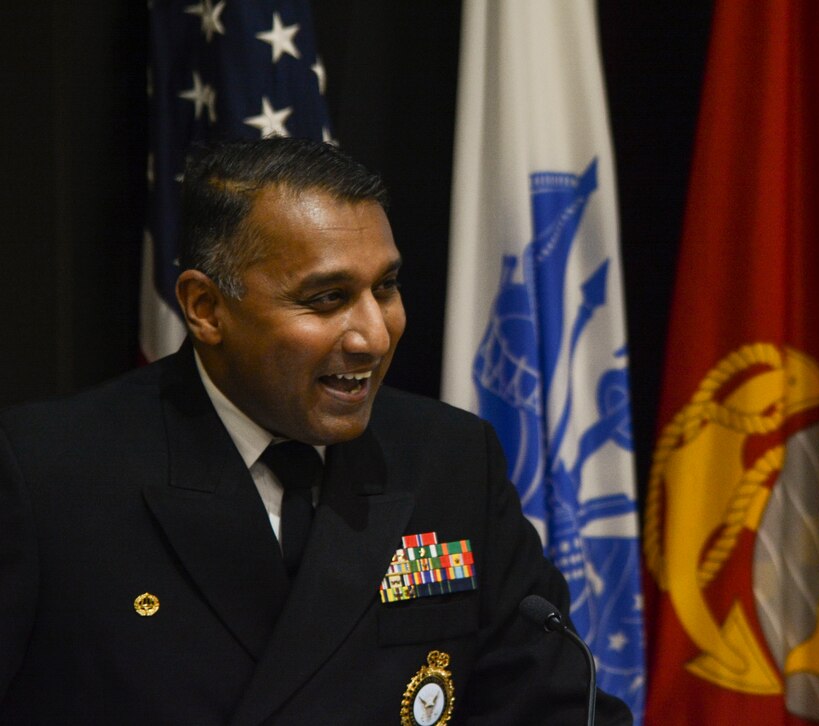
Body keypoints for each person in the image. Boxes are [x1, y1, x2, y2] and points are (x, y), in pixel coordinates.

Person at [0, 137, 631, 725]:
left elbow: (552, 705)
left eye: (384, 288)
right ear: (206, 308)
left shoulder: (450, 458)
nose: (374, 336)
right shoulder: (46, 475)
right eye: (327, 299)